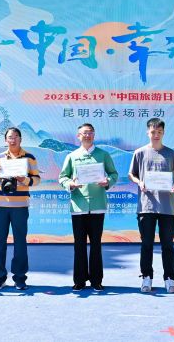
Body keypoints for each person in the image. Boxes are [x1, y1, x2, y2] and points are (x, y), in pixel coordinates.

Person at [58, 123, 119, 291]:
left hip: (98, 205)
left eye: (90, 132)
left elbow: (113, 174)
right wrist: (70, 184)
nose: (87, 135)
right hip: (78, 206)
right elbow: (62, 177)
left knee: (96, 244)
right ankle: (79, 280)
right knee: (79, 244)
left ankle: (96, 280)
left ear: (94, 135)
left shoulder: (103, 155)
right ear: (78, 136)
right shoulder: (72, 156)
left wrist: (108, 181)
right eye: (84, 133)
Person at [128, 118, 174, 294]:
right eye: (153, 132)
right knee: (147, 244)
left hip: (168, 207)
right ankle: (146, 277)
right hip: (146, 206)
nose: (156, 135)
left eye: (159, 132)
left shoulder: (171, 154)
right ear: (148, 132)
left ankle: (169, 278)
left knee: (168, 245)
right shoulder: (139, 153)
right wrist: (139, 182)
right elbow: (131, 174)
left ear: (163, 133)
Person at [0, 127, 40, 291]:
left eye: (16, 136)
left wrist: (24, 179)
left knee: (20, 243)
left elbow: (37, 179)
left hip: (20, 206)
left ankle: (20, 278)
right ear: (5, 140)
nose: (13, 139)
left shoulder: (29, 157)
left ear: (21, 139)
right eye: (10, 137)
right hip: (0, 206)